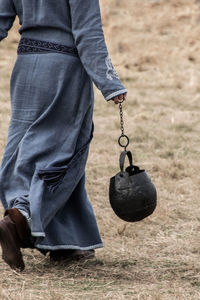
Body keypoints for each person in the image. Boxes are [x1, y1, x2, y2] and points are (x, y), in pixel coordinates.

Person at [0, 0, 127, 271]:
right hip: (65, 70)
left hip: (26, 68)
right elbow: (87, 32)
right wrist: (110, 83)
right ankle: (20, 217)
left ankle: (69, 242)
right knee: (62, 154)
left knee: (29, 148)